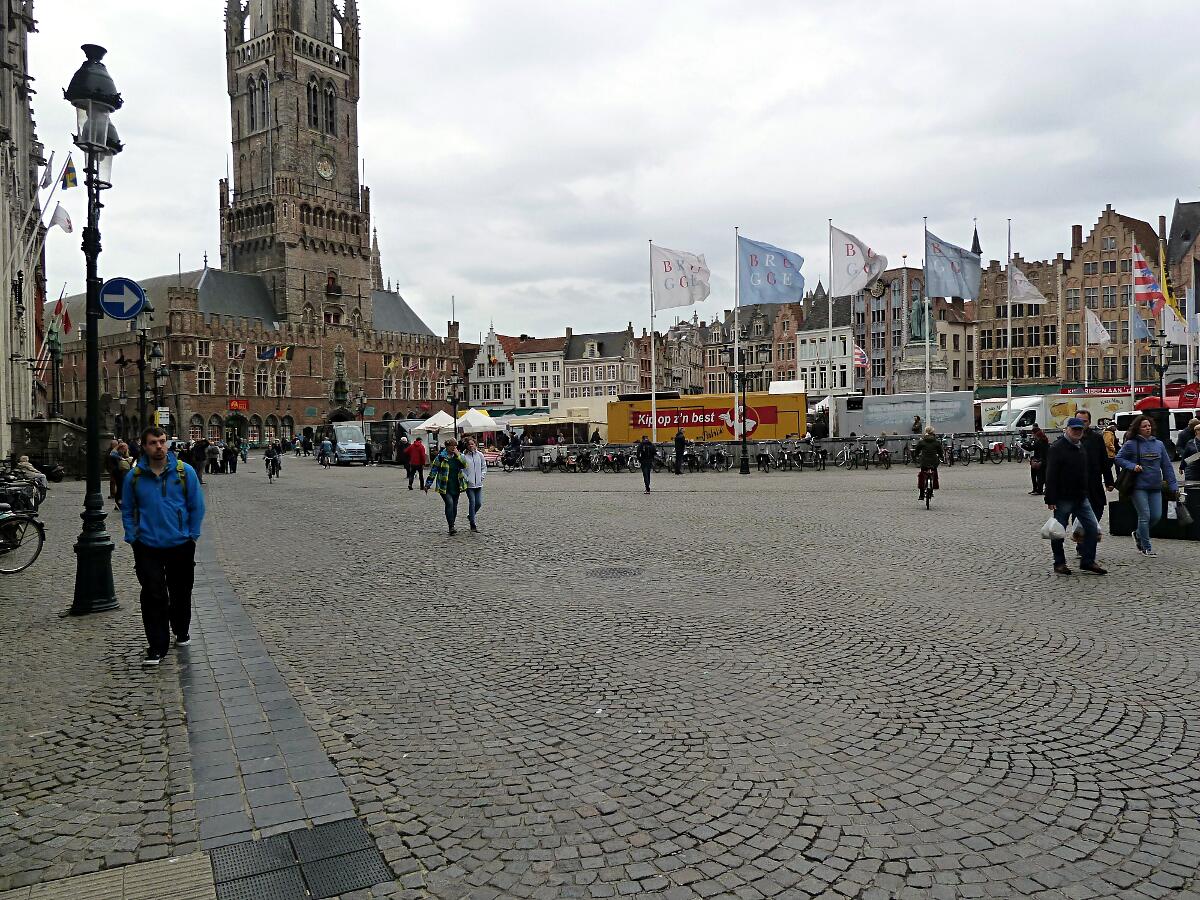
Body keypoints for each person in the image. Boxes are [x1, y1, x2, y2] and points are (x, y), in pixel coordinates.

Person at [121, 426, 206, 667]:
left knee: (181, 592)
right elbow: (127, 508)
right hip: (147, 544)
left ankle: (181, 629)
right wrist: (133, 536)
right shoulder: (134, 477)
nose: (159, 446)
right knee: (153, 594)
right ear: (144, 446)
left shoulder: (184, 471)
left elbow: (196, 505)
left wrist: (192, 535)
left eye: (162, 441)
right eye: (153, 442)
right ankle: (157, 646)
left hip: (180, 543)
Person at [1043, 417, 1105, 575]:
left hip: (1081, 497)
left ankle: (1088, 561)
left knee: (1092, 528)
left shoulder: (1080, 446)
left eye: (1080, 429)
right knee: (1058, 531)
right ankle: (1059, 563)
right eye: (1074, 429)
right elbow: (1051, 474)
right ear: (1067, 429)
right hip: (1063, 497)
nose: (1077, 432)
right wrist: (1050, 498)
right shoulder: (1057, 448)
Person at [1116, 414, 1178, 557]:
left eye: (1149, 426)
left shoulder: (1159, 444)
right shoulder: (1131, 444)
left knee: (1156, 516)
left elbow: (1167, 466)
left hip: (1155, 486)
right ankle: (1146, 547)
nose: (1148, 428)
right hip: (1138, 486)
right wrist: (1132, 466)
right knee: (1145, 516)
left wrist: (1173, 485)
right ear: (1138, 428)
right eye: (1144, 426)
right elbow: (1119, 459)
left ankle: (1138, 534)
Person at [1077, 410, 1115, 543]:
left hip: (1094, 482)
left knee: (1098, 509)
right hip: (1077, 485)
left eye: (1084, 421)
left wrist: (1109, 481)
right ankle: (1083, 543)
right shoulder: (1070, 439)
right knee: (1080, 514)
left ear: (1089, 422)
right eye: (1079, 421)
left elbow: (1104, 460)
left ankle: (1087, 538)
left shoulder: (1096, 438)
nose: (1082, 424)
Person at [424, 438, 468, 535]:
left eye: (455, 446)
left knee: (455, 505)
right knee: (449, 503)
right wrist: (428, 484)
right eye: (452, 446)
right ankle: (451, 526)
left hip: (456, 484)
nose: (454, 448)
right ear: (447, 447)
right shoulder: (441, 457)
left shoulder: (459, 456)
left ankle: (452, 523)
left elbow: (465, 465)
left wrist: (458, 455)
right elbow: (434, 470)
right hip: (444, 485)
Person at [462, 437, 487, 532]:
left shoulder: (480, 455)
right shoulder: (464, 456)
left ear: (475, 444)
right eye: (469, 444)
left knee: (478, 503)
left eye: (472, 444)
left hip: (479, 484)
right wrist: (466, 479)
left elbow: (484, 467)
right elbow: (462, 469)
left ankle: (470, 515)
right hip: (469, 485)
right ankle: (472, 523)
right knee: (472, 502)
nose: (471, 446)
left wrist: (482, 476)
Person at [913, 426, 941, 499]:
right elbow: (940, 452)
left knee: (922, 475)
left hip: (924, 461)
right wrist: (941, 457)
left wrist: (916, 456)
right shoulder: (936, 442)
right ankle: (933, 488)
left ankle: (921, 494)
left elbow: (917, 450)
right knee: (934, 473)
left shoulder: (922, 442)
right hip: (934, 461)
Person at [1027, 424, 1049, 495]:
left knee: (1039, 476)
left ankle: (1038, 490)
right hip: (1040, 460)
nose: (1032, 435)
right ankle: (1038, 489)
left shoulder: (1039, 442)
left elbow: (1031, 448)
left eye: (1033, 434)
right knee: (1040, 476)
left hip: (1039, 461)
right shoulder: (1043, 440)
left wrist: (1022, 445)